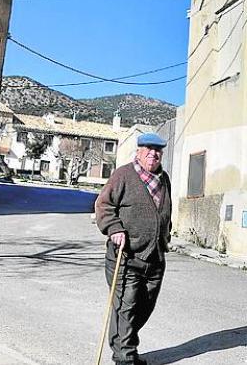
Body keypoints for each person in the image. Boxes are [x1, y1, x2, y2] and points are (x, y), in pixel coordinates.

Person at [95, 132, 172, 365]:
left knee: (144, 307)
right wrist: (114, 228)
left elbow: (164, 211)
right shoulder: (124, 175)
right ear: (138, 151)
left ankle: (124, 346)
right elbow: (104, 204)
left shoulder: (163, 178)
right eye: (148, 149)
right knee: (125, 308)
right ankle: (125, 357)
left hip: (155, 256)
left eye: (157, 150)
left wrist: (165, 233)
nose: (153, 153)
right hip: (126, 255)